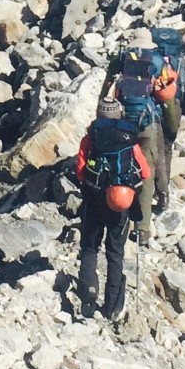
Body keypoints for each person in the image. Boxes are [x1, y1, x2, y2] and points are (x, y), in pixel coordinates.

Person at [73, 97, 151, 319]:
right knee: (115, 253)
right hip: (120, 202)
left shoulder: (92, 135)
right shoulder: (129, 138)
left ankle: (88, 288)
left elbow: (80, 169)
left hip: (95, 198)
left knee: (90, 246)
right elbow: (145, 172)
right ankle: (112, 306)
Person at [105, 28, 178, 237]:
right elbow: (167, 94)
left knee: (120, 165)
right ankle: (143, 229)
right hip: (148, 122)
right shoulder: (157, 61)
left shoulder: (120, 60)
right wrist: (172, 126)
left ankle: (117, 211)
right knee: (148, 171)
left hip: (122, 122)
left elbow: (107, 91)